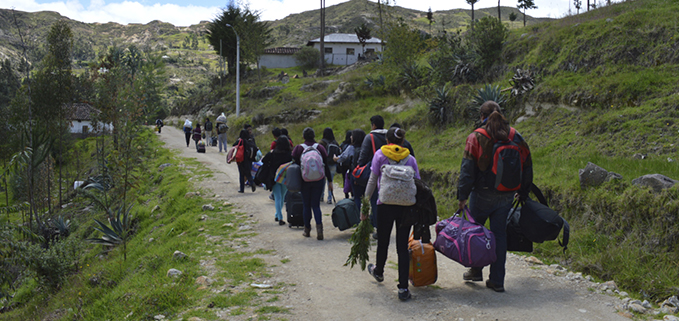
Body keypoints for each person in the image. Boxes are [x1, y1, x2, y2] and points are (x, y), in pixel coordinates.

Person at [457, 101, 533, 293]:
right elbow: (528, 164)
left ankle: (475, 270)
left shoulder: (476, 137)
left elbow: (467, 169)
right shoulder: (515, 136)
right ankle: (497, 280)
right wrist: (523, 191)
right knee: (499, 236)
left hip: (482, 194)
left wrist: (462, 196)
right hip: (507, 195)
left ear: (482, 117)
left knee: (476, 233)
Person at [364, 127, 420, 302]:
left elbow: (373, 180)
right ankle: (403, 288)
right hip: (405, 206)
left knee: (383, 240)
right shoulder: (410, 158)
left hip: (385, 205)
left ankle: (379, 271)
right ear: (403, 142)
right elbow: (417, 182)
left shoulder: (380, 155)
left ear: (387, 141)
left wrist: (365, 205)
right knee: (402, 246)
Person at [291, 127, 332, 240]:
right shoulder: (320, 147)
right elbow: (326, 165)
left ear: (303, 136)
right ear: (314, 136)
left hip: (305, 180)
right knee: (316, 205)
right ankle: (320, 230)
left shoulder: (299, 148)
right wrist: (330, 181)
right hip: (319, 180)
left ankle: (307, 230)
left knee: (306, 205)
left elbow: (293, 161)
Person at [357, 115, 388, 237]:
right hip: (389, 172)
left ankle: (378, 228)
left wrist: (360, 166)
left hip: (375, 172)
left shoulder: (369, 137)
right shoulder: (388, 136)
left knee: (375, 200)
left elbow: (363, 157)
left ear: (373, 125)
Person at [261, 135, 293, 225]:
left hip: (274, 178)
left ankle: (279, 216)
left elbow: (264, 160)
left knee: (278, 197)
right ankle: (278, 215)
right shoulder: (289, 154)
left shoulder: (273, 153)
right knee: (282, 197)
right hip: (285, 178)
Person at [319, 127, 339, 204]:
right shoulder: (335, 143)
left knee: (322, 181)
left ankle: (321, 196)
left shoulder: (322, 143)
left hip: (324, 164)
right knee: (330, 181)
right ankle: (329, 198)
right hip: (333, 164)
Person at [348, 129, 366, 211]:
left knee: (357, 197)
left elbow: (355, 165)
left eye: (352, 135)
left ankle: (358, 216)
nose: (350, 137)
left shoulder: (355, 150)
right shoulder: (365, 149)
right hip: (365, 175)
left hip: (356, 175)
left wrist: (355, 178)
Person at [234, 129, 257, 193]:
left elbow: (234, 146)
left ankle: (242, 189)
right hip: (249, 159)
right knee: (248, 173)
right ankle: (252, 182)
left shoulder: (240, 141)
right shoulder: (250, 140)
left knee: (241, 174)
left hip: (241, 159)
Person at [334, 130, 354, 199]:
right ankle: (352, 193)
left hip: (344, 164)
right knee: (351, 178)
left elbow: (341, 154)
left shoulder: (343, 144)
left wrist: (337, 160)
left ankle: (346, 193)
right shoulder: (353, 145)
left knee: (344, 178)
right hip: (351, 164)